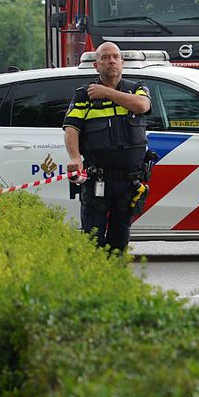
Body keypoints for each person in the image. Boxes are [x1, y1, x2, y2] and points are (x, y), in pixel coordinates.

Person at [64, 42, 153, 251]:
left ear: (122, 63)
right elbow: (71, 129)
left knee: (119, 241)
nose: (111, 61)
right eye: (105, 57)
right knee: (93, 240)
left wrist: (106, 93)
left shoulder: (137, 89)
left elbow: (142, 106)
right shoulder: (84, 95)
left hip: (129, 182)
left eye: (115, 57)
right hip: (98, 180)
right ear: (96, 65)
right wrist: (75, 157)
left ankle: (114, 280)